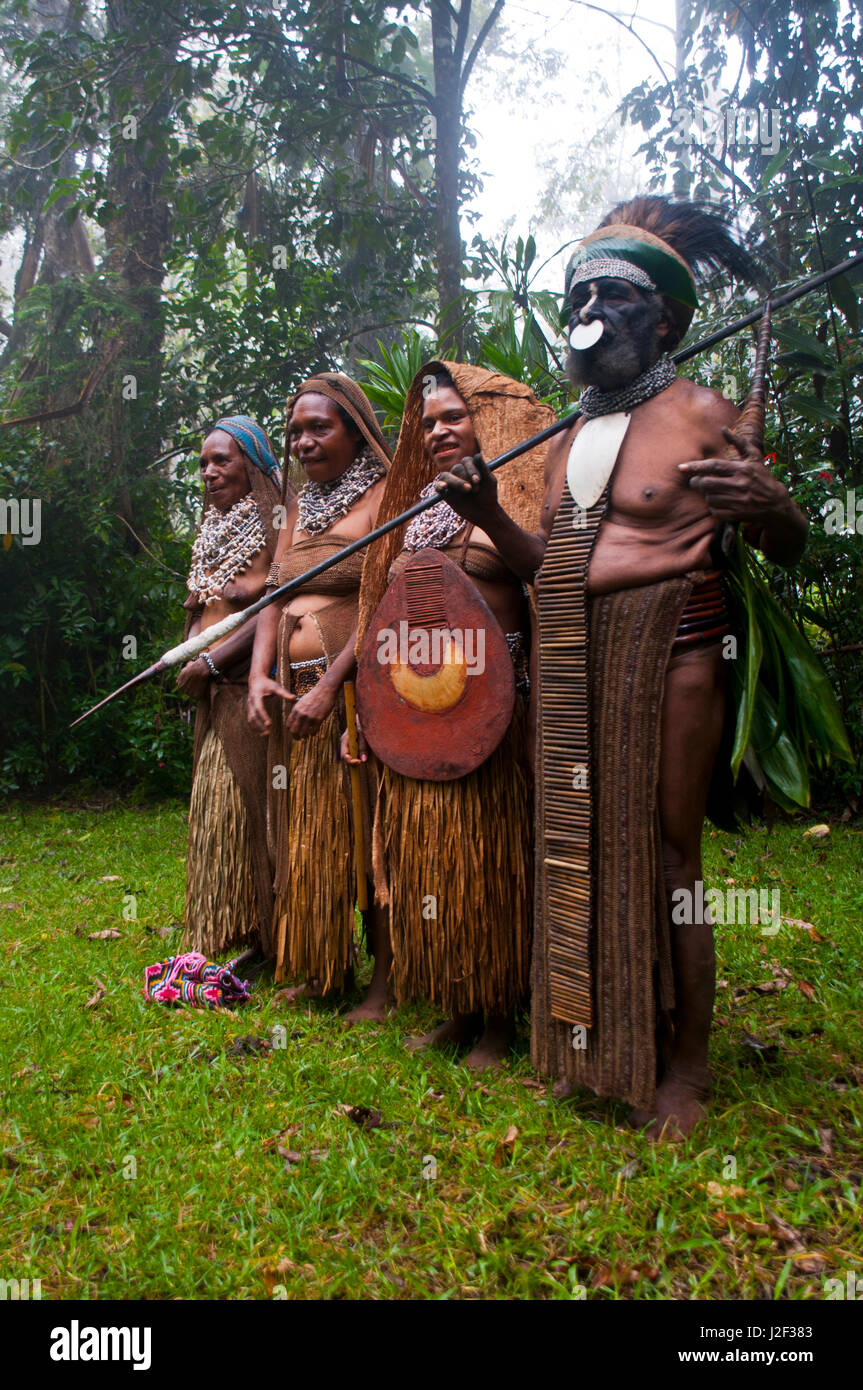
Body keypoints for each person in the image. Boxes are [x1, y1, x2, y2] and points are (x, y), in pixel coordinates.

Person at [430, 197, 808, 1133]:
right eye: (579, 293)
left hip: (677, 643)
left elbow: (781, 542)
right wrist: (487, 519)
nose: (588, 308)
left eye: (612, 293)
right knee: (576, 839)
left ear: (665, 321)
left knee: (668, 852)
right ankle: (592, 1035)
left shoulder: (703, 415)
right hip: (572, 652)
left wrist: (770, 504)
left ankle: (685, 1068)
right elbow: (553, 567)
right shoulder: (563, 438)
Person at [350, 363, 553, 1068]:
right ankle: (457, 1004)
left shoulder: (522, 501)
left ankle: (499, 1019)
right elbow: (380, 618)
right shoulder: (414, 512)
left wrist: (534, 715)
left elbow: (551, 595)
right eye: (427, 421)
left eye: (452, 417)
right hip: (418, 717)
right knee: (435, 864)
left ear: (487, 422)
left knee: (491, 867)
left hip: (495, 719)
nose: (436, 430)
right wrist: (367, 715)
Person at [246, 373, 393, 1020]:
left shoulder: (391, 493)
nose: (303, 442)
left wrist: (334, 686)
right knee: (313, 834)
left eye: (318, 428)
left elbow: (387, 597)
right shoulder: (298, 506)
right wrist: (257, 675)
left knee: (368, 832)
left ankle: (388, 982)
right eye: (295, 432)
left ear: (356, 432)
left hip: (359, 694)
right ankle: (323, 965)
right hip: (296, 695)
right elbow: (276, 596)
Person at [178, 415, 284, 958]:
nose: (210, 472)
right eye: (203, 464)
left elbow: (271, 608)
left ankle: (270, 934)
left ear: (254, 464)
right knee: (218, 812)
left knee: (255, 809)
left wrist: (215, 663)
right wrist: (188, 652)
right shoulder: (208, 533)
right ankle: (234, 924)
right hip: (212, 689)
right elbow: (202, 609)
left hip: (247, 687)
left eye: (223, 460)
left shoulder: (274, 523)